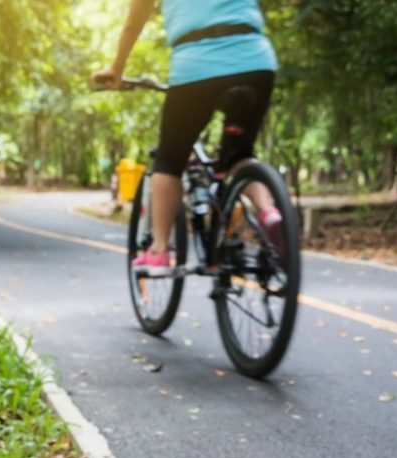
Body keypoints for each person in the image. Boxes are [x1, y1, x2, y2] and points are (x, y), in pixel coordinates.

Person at [92, 0, 282, 270]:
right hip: (255, 60)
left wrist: (116, 69)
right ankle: (269, 212)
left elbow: (135, 19)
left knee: (170, 160)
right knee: (240, 155)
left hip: (197, 66)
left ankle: (158, 250)